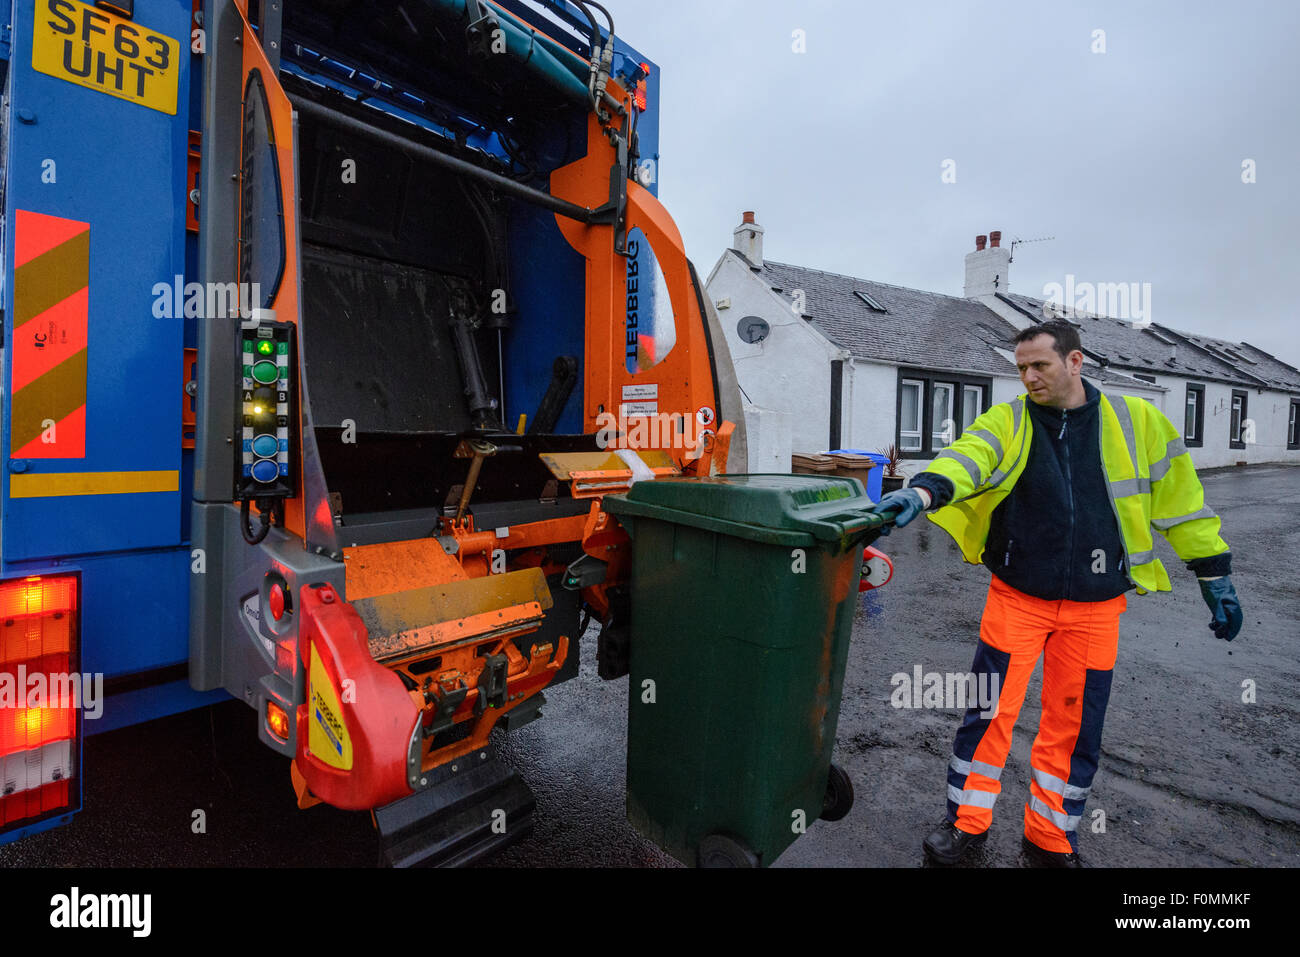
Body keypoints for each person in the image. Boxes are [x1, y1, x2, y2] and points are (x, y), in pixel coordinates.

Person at [870, 320, 1242, 867]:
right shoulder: (1011, 420)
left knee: (1073, 722)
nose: (1028, 378)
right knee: (989, 714)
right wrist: (924, 491)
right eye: (1020, 368)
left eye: (1039, 365)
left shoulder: (1139, 422)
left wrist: (1215, 575)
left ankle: (1049, 837)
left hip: (1096, 606)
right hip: (1018, 595)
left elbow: (1182, 504)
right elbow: (969, 457)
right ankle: (966, 826)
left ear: (1075, 361)